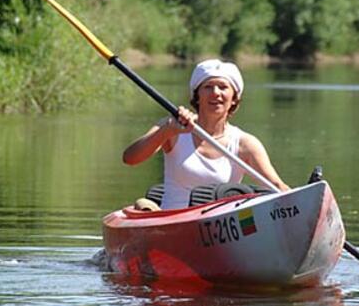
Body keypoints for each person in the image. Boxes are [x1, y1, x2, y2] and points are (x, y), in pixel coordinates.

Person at [123, 58, 289, 210]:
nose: (215, 93)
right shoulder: (174, 127)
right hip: (171, 220)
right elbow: (130, 158)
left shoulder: (246, 144)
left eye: (223, 87)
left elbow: (276, 186)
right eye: (208, 87)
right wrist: (166, 131)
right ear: (197, 96)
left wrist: (310, 200)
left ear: (234, 98)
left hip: (221, 225)